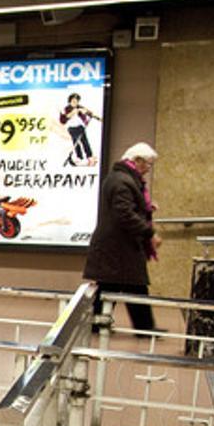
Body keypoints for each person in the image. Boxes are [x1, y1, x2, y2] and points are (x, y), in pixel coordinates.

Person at [84, 142, 161, 332]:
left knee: (121, 287)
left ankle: (139, 327)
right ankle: (143, 328)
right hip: (118, 248)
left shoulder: (120, 178)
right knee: (130, 287)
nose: (148, 169)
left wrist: (146, 208)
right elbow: (124, 214)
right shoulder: (123, 181)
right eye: (148, 164)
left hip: (117, 248)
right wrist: (149, 232)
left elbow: (124, 209)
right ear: (137, 160)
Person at [60, 93, 100, 167]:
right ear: (70, 101)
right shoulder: (66, 109)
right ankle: (79, 157)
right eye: (73, 101)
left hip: (80, 127)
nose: (75, 103)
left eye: (76, 101)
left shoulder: (80, 107)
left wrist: (98, 118)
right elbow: (63, 118)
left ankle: (89, 157)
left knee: (85, 141)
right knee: (76, 141)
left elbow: (90, 113)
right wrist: (74, 112)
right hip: (72, 128)